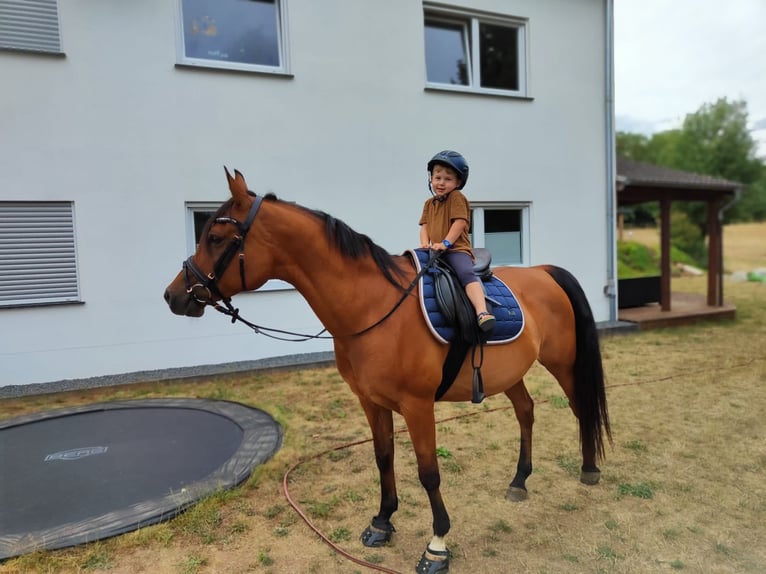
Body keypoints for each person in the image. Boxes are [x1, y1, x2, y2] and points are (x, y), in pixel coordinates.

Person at [419, 150, 495, 332]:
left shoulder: (457, 198)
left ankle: (482, 312)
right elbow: (425, 226)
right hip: (435, 251)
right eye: (437, 177)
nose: (441, 183)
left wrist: (446, 243)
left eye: (447, 179)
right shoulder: (429, 203)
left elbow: (460, 222)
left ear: (458, 182)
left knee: (465, 274)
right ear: (431, 178)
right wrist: (424, 244)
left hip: (455, 250)